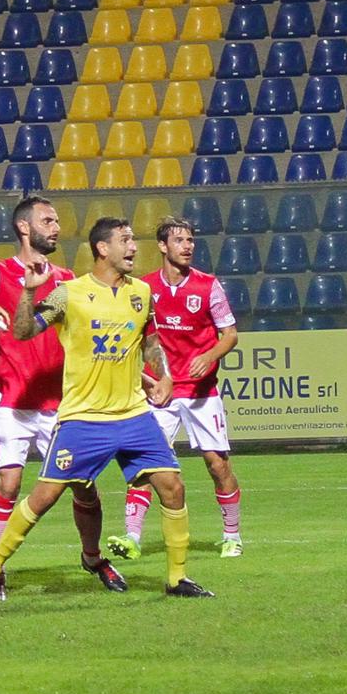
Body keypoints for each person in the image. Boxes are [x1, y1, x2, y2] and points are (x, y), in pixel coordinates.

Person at [0, 219, 212, 603]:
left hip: (133, 415)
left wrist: (162, 375)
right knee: (45, 496)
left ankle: (177, 578)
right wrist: (29, 294)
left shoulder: (142, 292)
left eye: (133, 239)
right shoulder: (70, 293)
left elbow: (150, 342)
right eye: (125, 240)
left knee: (173, 487)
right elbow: (23, 331)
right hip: (84, 418)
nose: (134, 247)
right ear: (102, 248)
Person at [109, 216, 244, 563]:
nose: (188, 246)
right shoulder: (142, 288)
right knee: (145, 468)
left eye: (191, 240)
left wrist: (210, 354)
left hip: (201, 394)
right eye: (180, 240)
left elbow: (229, 334)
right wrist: (147, 380)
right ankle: (132, 537)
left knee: (217, 465)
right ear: (163, 246)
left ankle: (232, 536)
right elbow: (132, 340)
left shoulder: (208, 286)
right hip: (161, 395)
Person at [0, 196, 75, 591]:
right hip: (12, 403)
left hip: (60, 404)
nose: (56, 226)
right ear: (24, 228)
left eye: (57, 219)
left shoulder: (68, 278)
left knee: (81, 485)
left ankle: (93, 558)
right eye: (48, 219)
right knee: (7, 486)